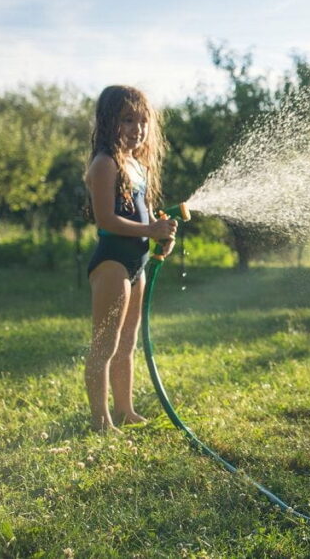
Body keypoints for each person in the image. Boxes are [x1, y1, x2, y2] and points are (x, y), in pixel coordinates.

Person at [84, 85, 177, 433]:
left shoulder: (138, 166)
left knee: (127, 344)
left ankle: (125, 410)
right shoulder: (105, 163)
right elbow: (106, 220)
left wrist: (161, 236)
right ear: (109, 121)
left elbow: (148, 221)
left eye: (143, 120)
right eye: (127, 119)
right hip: (112, 263)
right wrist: (151, 232)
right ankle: (100, 420)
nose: (137, 128)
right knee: (104, 346)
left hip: (136, 264)